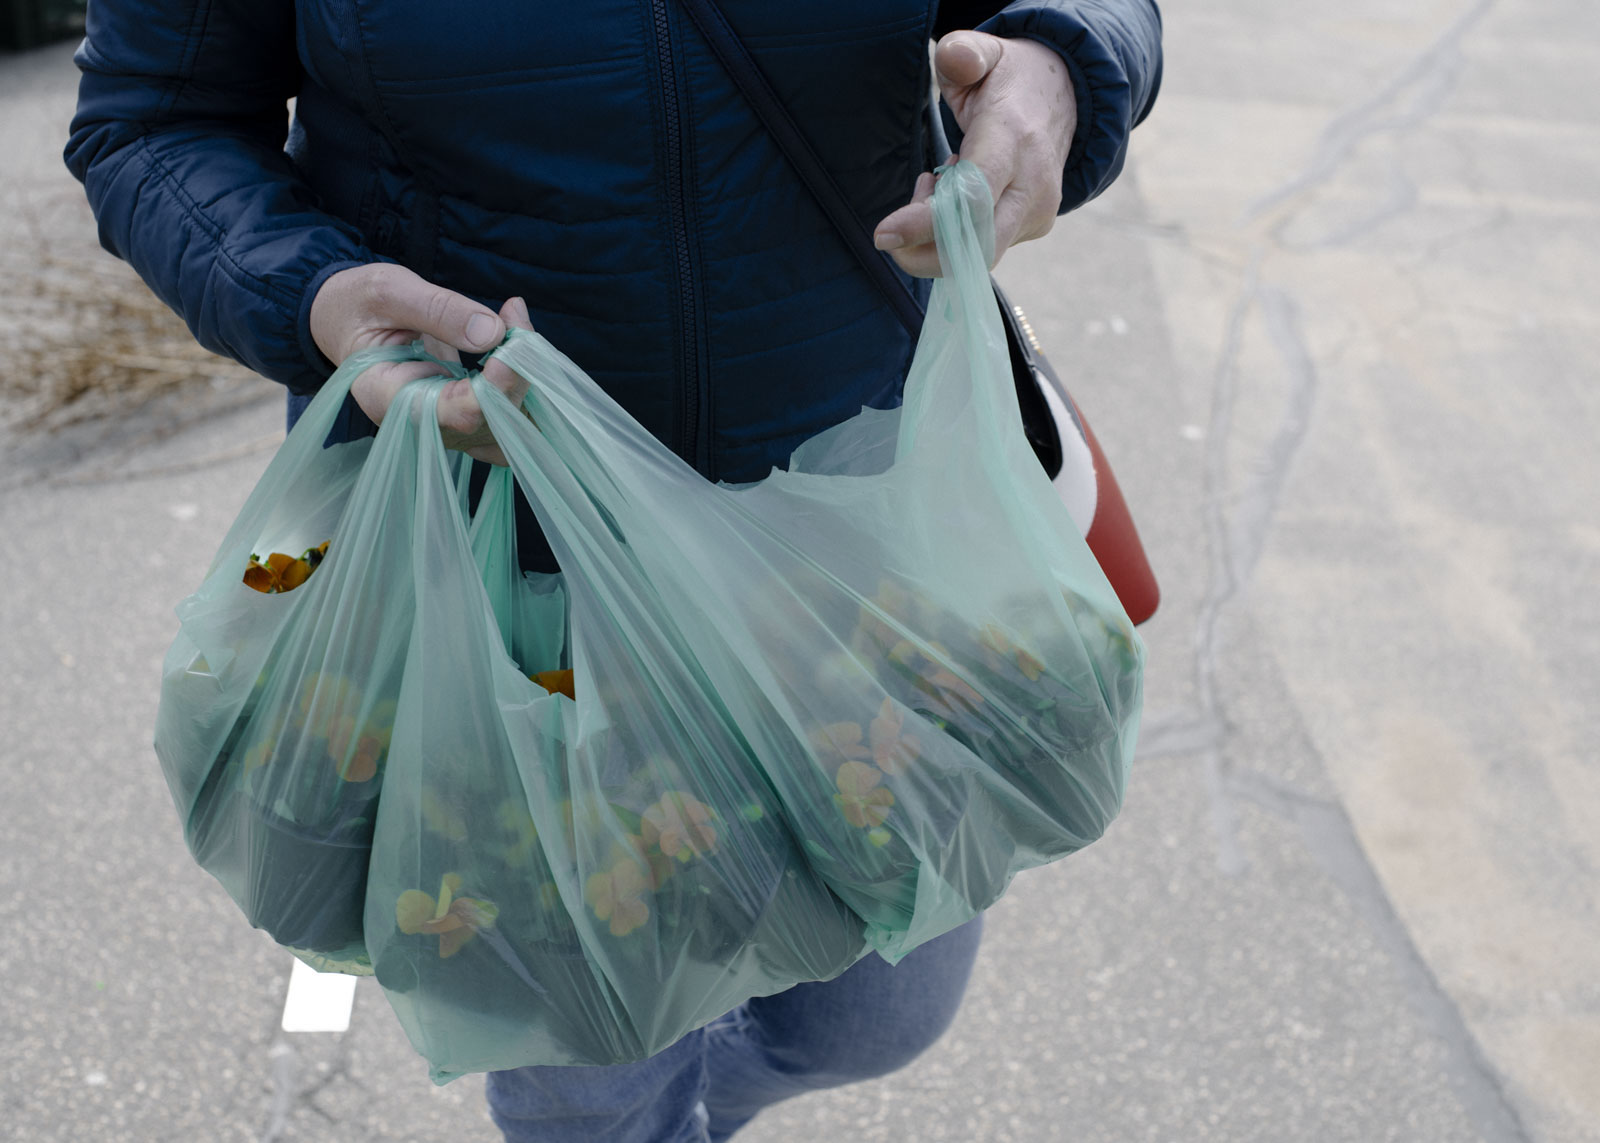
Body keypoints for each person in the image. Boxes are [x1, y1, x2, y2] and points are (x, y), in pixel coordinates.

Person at [66, 2, 1162, 1139]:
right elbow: (153, 122)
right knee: (598, 1085)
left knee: (872, 1021)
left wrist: (1062, 59)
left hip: (851, 525)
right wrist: (313, 293)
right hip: (508, 545)